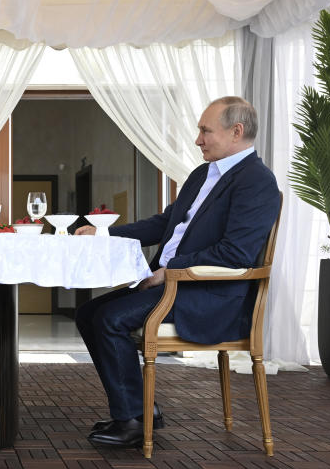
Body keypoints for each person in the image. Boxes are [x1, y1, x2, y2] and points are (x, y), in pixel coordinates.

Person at [74, 96, 280, 448]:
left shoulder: (257, 182)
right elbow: (165, 223)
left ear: (236, 132)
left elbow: (236, 253)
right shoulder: (203, 174)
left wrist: (171, 271)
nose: (198, 139)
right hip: (175, 284)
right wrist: (104, 233)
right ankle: (140, 410)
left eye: (205, 130)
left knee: (109, 318)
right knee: (89, 312)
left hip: (207, 294)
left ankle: (132, 421)